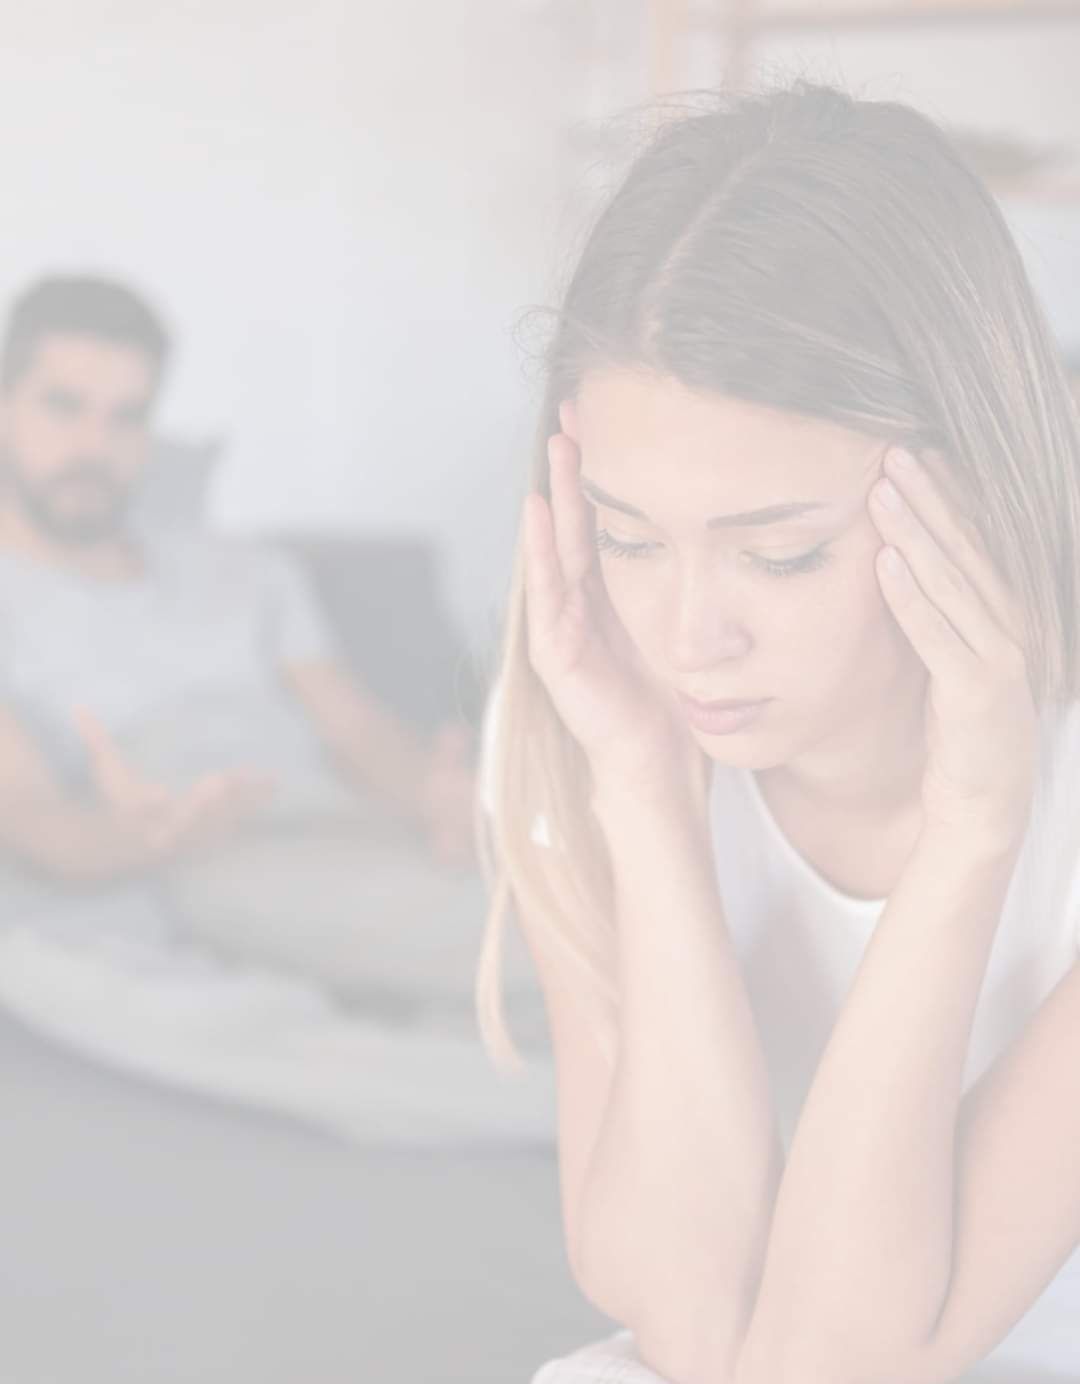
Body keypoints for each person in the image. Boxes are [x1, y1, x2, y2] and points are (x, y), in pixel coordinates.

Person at [475, 80, 1080, 1381]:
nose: (689, 638)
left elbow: (841, 1359)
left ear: (971, 494)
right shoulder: (596, 733)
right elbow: (688, 1319)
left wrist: (973, 833)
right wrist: (642, 795)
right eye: (631, 539)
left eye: (782, 555)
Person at [0, 273, 555, 1148]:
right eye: (63, 406)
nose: (93, 445)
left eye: (126, 417)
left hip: (332, 821)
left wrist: (437, 796)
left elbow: (357, 731)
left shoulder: (248, 574)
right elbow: (35, 817)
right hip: (183, 848)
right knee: (569, 950)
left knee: (574, 904)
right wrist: (140, 836)